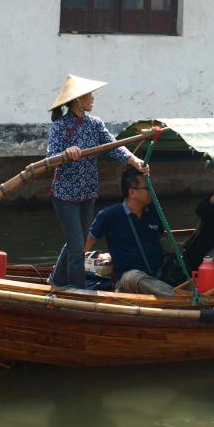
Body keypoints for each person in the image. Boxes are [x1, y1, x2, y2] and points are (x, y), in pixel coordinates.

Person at [47, 74, 147, 289]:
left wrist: (133, 159)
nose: (92, 98)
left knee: (78, 242)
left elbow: (113, 146)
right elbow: (51, 158)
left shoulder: (95, 123)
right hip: (65, 194)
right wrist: (66, 152)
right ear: (77, 100)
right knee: (77, 248)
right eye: (89, 95)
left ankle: (56, 281)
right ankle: (77, 292)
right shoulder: (60, 126)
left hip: (88, 191)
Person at [85, 169, 174, 297]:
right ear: (132, 192)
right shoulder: (109, 215)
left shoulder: (154, 212)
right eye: (147, 188)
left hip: (158, 274)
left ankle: (186, 291)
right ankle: (177, 296)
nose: (152, 192)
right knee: (133, 276)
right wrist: (70, 269)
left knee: (175, 262)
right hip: (127, 280)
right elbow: (86, 243)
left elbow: (158, 238)